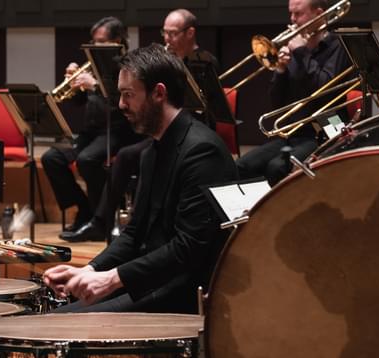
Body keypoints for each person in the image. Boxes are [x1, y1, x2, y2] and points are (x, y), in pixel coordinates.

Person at [43, 44, 238, 313]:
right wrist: (90, 270)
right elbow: (134, 234)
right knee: (50, 316)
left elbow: (188, 248)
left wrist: (111, 279)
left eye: (128, 95)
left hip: (182, 291)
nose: (121, 105)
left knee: (57, 324)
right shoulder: (151, 151)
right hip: (150, 280)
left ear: (159, 93)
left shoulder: (202, 152)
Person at [41, 17, 141, 238]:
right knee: (52, 158)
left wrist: (94, 87)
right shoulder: (95, 64)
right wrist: (75, 85)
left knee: (87, 160)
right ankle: (85, 210)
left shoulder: (129, 66)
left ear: (117, 40)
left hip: (118, 131)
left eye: (101, 41)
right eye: (93, 41)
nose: (94, 46)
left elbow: (123, 107)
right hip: (91, 132)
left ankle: (100, 219)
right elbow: (79, 103)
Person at [235, 0, 352, 186]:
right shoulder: (294, 49)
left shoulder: (338, 46)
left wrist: (301, 52)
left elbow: (325, 90)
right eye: (291, 14)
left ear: (319, 14)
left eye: (298, 14)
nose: (292, 20)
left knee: (277, 168)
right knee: (243, 165)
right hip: (294, 133)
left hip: (326, 130)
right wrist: (280, 71)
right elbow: (277, 103)